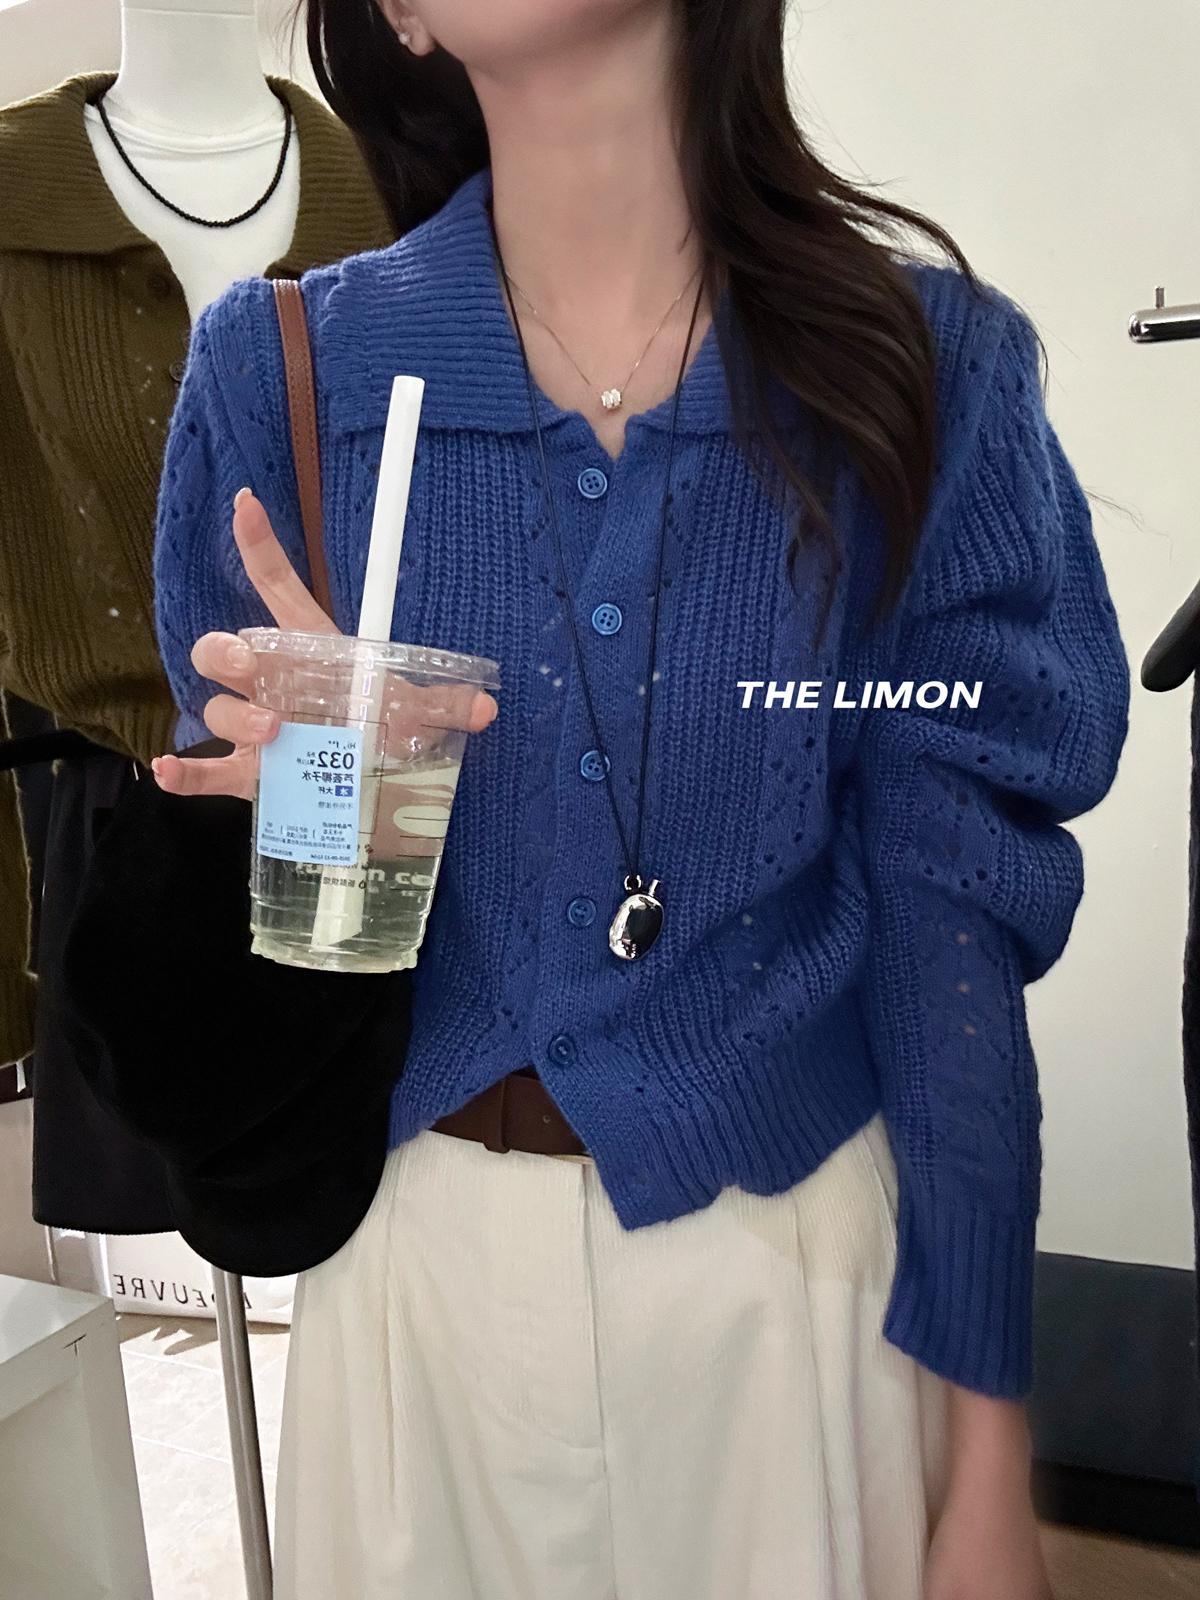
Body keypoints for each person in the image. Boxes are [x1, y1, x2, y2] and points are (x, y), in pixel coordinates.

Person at [149, 1, 1131, 1596]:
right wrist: (330, 798)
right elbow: (303, 954)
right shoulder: (287, 376)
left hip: (794, 1295)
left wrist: (988, 1455)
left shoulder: (925, 367)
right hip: (416, 1297)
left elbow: (951, 935)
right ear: (398, 12)